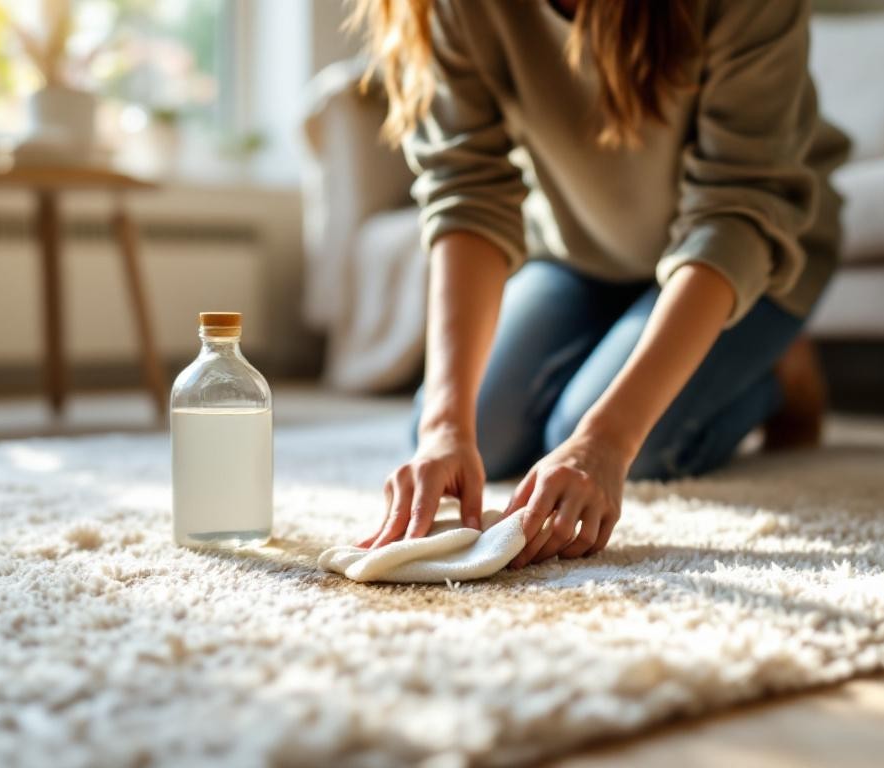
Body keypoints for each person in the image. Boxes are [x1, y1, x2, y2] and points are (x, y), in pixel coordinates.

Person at [354, 0, 849, 568]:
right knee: (469, 429)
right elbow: (467, 193)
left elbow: (737, 212)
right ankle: (621, 345)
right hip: (581, 251)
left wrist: (606, 440)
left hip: (752, 257)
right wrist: (444, 426)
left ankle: (783, 376)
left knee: (613, 440)